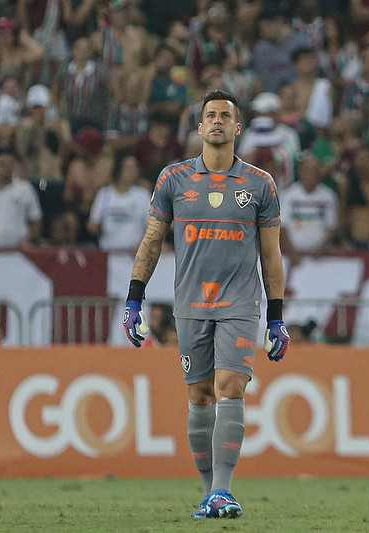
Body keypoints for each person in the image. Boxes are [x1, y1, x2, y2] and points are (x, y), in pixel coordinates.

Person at [122, 90, 289, 519]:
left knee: (230, 387)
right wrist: (133, 298)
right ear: (199, 128)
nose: (217, 121)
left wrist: (276, 317)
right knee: (198, 396)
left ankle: (223, 490)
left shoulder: (259, 184)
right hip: (190, 304)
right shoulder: (173, 179)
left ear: (237, 128)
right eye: (209, 116)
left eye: (225, 116)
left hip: (239, 304)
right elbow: (152, 241)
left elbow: (271, 256)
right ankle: (207, 493)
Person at [87, 153, 151, 253]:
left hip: (134, 255)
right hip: (107, 252)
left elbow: (151, 227)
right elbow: (93, 224)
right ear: (119, 169)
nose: (132, 172)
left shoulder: (143, 195)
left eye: (134, 168)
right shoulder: (105, 194)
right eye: (128, 168)